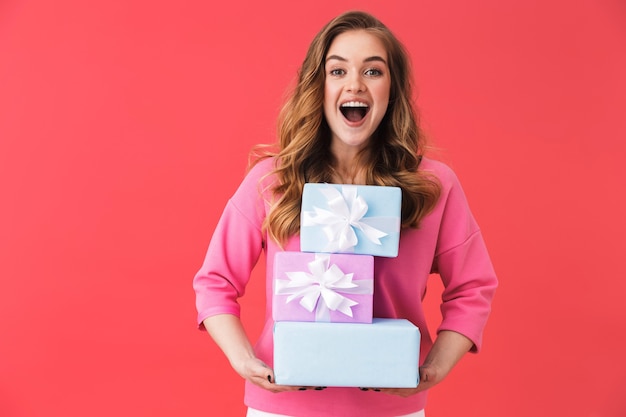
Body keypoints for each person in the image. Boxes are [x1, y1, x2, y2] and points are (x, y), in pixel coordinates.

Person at [193, 10, 497, 417]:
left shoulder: (432, 185)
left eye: (373, 71)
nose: (355, 83)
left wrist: (435, 367)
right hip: (283, 407)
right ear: (317, 86)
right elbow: (214, 282)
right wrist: (244, 361)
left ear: (393, 88)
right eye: (337, 71)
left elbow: (473, 287)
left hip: (392, 408)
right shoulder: (272, 182)